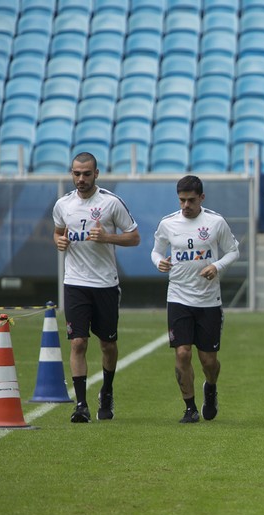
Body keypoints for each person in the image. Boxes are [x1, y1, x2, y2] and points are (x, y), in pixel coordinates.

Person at [52, 151, 141, 423]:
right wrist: (58, 241)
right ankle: (81, 405)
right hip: (75, 283)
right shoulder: (63, 205)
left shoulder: (111, 203)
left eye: (86, 174)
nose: (81, 179)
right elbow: (57, 231)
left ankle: (107, 390)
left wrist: (107, 237)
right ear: (72, 174)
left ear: (96, 174)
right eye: (76, 174)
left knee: (107, 344)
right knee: (78, 342)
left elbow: (134, 237)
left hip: (105, 284)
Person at [151, 175, 240, 423]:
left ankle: (210, 388)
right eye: (181, 200)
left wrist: (217, 266)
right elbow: (156, 250)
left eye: (191, 200)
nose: (186, 205)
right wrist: (160, 262)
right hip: (178, 296)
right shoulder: (168, 224)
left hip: (208, 300)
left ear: (201, 198)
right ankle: (189, 408)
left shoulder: (215, 222)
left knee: (208, 360)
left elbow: (233, 251)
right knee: (182, 353)